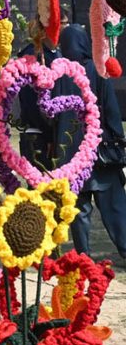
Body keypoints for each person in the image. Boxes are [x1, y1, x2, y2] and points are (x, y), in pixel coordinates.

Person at [59, 24, 126, 260]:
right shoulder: (97, 71)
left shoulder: (59, 74)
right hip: (100, 152)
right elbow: (111, 110)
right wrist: (118, 139)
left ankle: (84, 255)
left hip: (71, 157)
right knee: (115, 207)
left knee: (79, 209)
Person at [17, 12, 72, 171]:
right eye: (62, 23)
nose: (66, 28)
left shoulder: (58, 53)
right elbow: (30, 100)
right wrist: (48, 134)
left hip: (58, 132)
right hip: (40, 133)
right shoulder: (32, 54)